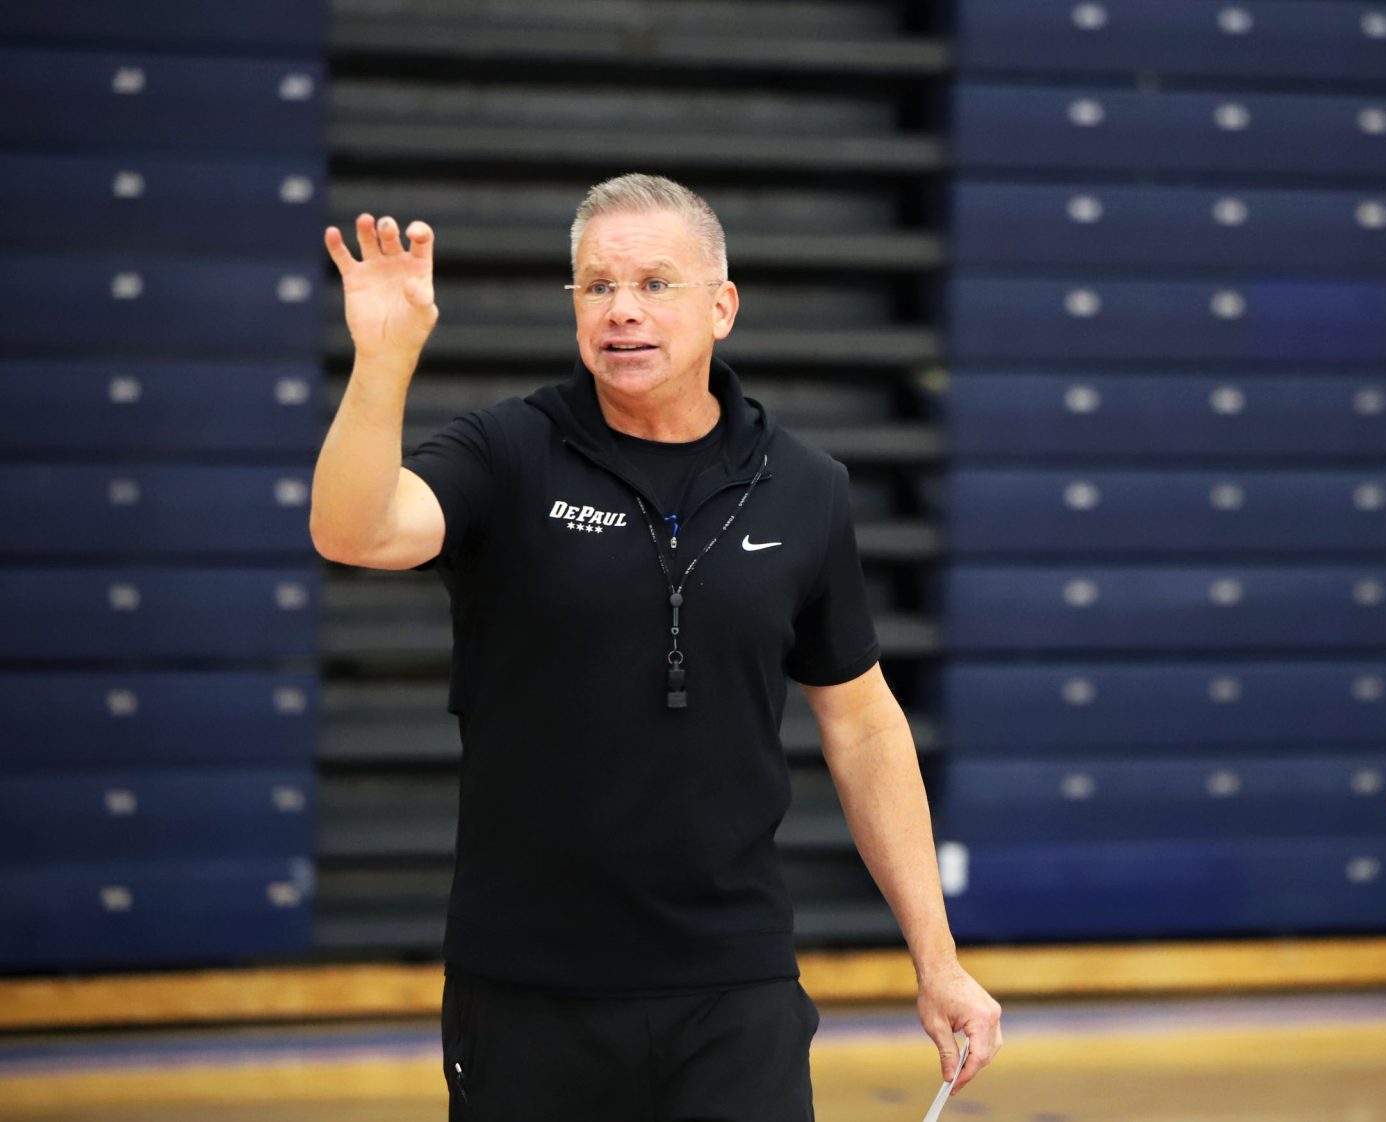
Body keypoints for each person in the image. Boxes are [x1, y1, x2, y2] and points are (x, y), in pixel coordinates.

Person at [310, 173, 1001, 1120]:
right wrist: (382, 362)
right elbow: (357, 532)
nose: (621, 311)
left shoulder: (805, 489)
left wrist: (939, 960)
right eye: (596, 287)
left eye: (653, 284)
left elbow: (864, 725)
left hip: (734, 989)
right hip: (526, 991)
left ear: (722, 307)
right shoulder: (510, 452)